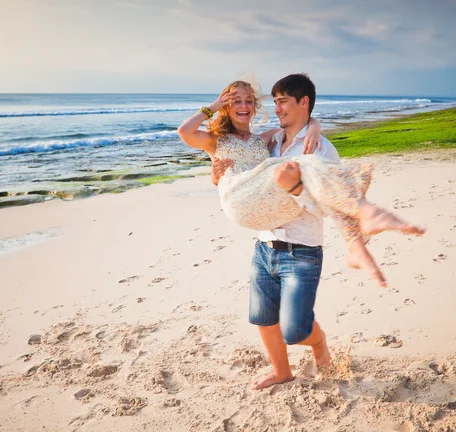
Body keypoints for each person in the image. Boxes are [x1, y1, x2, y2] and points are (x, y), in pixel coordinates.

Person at [177, 74, 424, 389]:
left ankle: (319, 343)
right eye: (234, 100)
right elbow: (187, 134)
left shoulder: (271, 141)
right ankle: (282, 371)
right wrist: (213, 110)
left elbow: (306, 144)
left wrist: (313, 130)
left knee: (295, 331)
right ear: (226, 105)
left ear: (255, 107)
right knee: (263, 319)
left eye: (248, 100)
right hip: (264, 242)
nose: (243, 105)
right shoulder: (263, 141)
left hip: (301, 249)